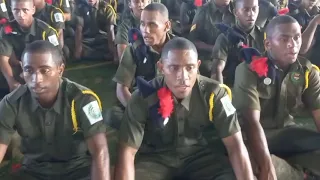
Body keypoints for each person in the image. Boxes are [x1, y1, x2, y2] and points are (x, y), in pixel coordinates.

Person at [114, 37, 254, 180]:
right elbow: (127, 152)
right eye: (174, 68)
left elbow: (235, 146)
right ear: (161, 67)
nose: (183, 77)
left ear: (198, 66)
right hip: (156, 159)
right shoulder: (142, 97)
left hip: (201, 159)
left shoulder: (215, 94)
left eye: (190, 67)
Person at [0, 40, 110, 180]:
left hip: (77, 171)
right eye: (29, 70)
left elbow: (100, 150)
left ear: (60, 70)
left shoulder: (83, 100)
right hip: (34, 171)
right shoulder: (11, 103)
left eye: (44, 70)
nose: (36, 78)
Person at [233, 15, 320, 180]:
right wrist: (266, 167)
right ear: (268, 44)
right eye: (284, 39)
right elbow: (251, 122)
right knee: (246, 164)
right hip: (254, 137)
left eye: (296, 38)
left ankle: (289, 171)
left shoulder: (308, 71)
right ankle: (288, 170)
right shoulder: (248, 70)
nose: (292, 44)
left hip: (288, 133)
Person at [105, 3, 173, 129]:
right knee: (113, 115)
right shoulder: (134, 49)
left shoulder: (179, 49)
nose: (145, 30)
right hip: (143, 101)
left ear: (167, 26)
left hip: (171, 103)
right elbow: (121, 89)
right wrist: (140, 112)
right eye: (142, 24)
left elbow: (191, 88)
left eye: (152, 24)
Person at [0, 0, 60, 93]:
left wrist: (29, 73)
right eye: (16, 10)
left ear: (33, 10)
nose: (20, 14)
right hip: (17, 68)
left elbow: (56, 59)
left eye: (25, 10)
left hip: (41, 68)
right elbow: (3, 58)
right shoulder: (7, 29)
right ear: (11, 10)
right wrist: (11, 81)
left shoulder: (47, 31)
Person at [211, 0, 264, 86]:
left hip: (260, 86)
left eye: (254, 9)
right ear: (236, 12)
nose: (251, 13)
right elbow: (217, 69)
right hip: (234, 86)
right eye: (246, 9)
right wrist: (222, 93)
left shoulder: (265, 36)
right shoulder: (226, 37)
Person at [188, 0, 235, 76]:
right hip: (210, 56)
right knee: (208, 67)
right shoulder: (204, 11)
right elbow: (193, 40)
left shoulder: (238, 9)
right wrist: (215, 49)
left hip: (231, 56)